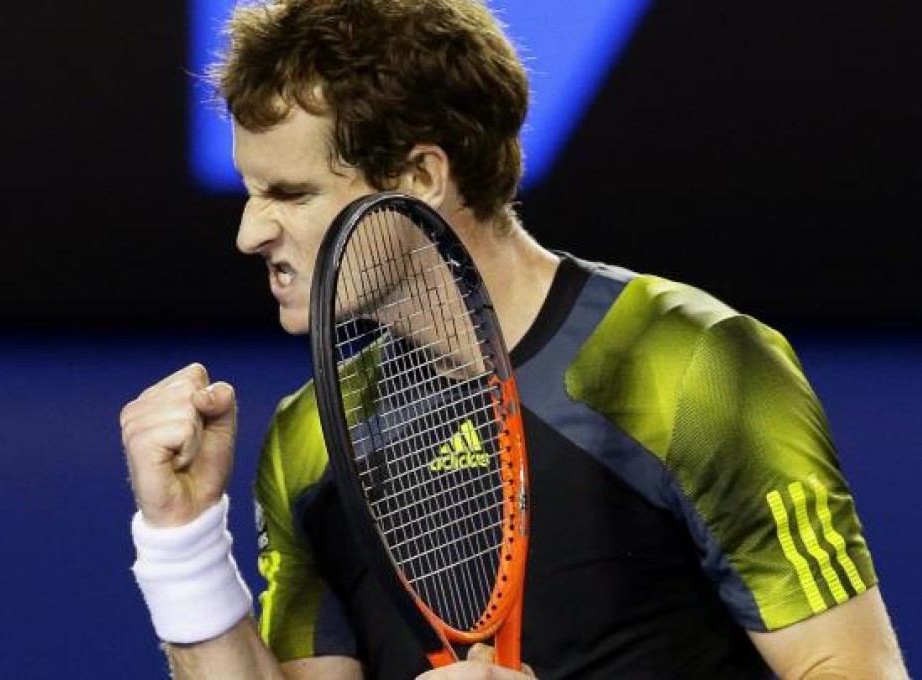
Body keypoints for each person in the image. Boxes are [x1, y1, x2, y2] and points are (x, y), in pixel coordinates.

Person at [118, 0, 910, 678]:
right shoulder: (311, 437)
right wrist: (181, 541)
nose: (250, 233)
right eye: (251, 192)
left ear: (421, 176)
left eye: (290, 193)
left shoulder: (687, 361)